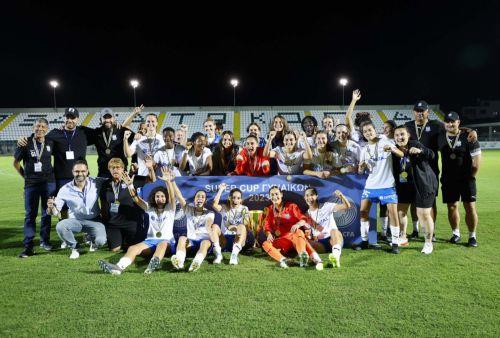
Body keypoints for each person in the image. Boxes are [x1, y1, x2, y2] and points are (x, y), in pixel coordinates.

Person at [404, 101, 478, 239]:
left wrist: (472, 130)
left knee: (431, 202)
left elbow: (456, 129)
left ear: (427, 112)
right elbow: (396, 135)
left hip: (430, 171)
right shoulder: (407, 126)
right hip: (411, 170)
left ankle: (431, 233)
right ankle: (415, 230)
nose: (420, 113)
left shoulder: (437, 125)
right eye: (417, 110)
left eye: (423, 111)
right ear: (413, 112)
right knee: (414, 200)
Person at [98, 169, 177, 274]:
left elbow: (172, 197)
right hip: (150, 241)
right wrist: (130, 186)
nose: (160, 198)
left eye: (162, 196)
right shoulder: (149, 207)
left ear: (165, 198)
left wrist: (168, 182)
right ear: (154, 197)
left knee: (162, 244)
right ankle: (118, 268)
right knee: (133, 248)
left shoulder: (170, 208)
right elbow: (136, 199)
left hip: (166, 242)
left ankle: (152, 265)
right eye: (157, 196)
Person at [390, 125, 438, 254]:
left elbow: (432, 155)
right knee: (400, 212)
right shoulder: (393, 151)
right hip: (405, 185)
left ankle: (428, 243)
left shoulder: (415, 144)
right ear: (393, 137)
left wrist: (420, 151)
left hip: (423, 184)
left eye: (402, 134)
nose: (400, 137)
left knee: (424, 214)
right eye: (397, 135)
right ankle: (403, 237)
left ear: (408, 135)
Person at [356, 121, 402, 254]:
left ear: (375, 130)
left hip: (387, 185)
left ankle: (395, 243)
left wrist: (392, 149)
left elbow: (401, 154)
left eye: (370, 130)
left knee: (393, 214)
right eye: (365, 132)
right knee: (363, 212)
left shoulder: (385, 141)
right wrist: (361, 167)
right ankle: (365, 242)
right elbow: (360, 171)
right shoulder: (364, 150)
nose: (368, 133)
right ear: (363, 135)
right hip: (371, 185)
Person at [47, 160, 107, 259]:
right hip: (76, 221)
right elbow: (54, 212)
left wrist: (131, 174)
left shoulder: (96, 182)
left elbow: (114, 179)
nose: (80, 174)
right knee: (60, 226)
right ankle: (75, 248)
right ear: (72, 172)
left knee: (101, 241)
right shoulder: (65, 189)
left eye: (83, 171)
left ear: (87, 171)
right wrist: (51, 207)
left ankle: (92, 239)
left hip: (94, 220)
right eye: (77, 171)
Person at [14, 118, 56, 257]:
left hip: (48, 183)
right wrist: (25, 177)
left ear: (47, 129)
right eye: (38, 126)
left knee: (46, 213)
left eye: (43, 126)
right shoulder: (25, 143)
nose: (40, 129)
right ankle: (28, 246)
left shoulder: (50, 142)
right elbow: (16, 163)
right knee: (30, 215)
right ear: (33, 127)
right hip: (31, 184)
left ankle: (45, 241)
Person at [438, 112, 481, 247]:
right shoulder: (439, 137)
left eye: (453, 121)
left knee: (470, 207)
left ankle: (472, 236)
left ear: (458, 122)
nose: (450, 124)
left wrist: (471, 177)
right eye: (447, 121)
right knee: (452, 207)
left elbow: (476, 162)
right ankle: (456, 233)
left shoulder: (469, 137)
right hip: (448, 180)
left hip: (466, 179)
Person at [261, 186, 324, 270]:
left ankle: (303, 256)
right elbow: (267, 226)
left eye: (277, 194)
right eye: (272, 194)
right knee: (265, 244)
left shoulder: (291, 207)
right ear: (269, 197)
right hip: (281, 240)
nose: (275, 197)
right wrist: (268, 234)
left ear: (281, 194)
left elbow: (303, 219)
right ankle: (284, 260)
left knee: (299, 232)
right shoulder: (269, 210)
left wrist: (297, 224)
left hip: (294, 238)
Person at [100, 158, 144, 252]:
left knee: (133, 246)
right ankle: (121, 238)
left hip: (131, 221)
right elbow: (104, 205)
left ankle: (125, 238)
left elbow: (151, 179)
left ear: (123, 169)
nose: (115, 170)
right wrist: (106, 222)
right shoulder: (105, 184)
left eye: (118, 167)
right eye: (112, 168)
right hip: (114, 223)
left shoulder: (131, 179)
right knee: (115, 249)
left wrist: (149, 168)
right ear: (109, 169)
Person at [170, 190, 219, 272]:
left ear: (205, 201)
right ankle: (179, 262)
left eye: (203, 197)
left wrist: (208, 228)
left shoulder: (210, 212)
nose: (200, 198)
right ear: (194, 199)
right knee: (182, 238)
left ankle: (196, 262)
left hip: (205, 240)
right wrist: (172, 181)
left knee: (205, 243)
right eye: (198, 196)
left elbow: (209, 222)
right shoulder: (188, 209)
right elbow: (179, 196)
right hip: (191, 241)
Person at [304, 188, 351, 267]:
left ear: (316, 196)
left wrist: (341, 196)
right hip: (320, 244)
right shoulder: (306, 215)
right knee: (306, 243)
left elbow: (347, 206)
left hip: (333, 239)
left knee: (334, 231)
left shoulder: (327, 206)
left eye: (312, 195)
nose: (309, 198)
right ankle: (317, 261)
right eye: (307, 195)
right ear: (304, 198)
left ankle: (336, 257)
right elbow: (309, 233)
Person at [94, 106, 142, 178]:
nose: (107, 120)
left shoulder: (121, 130)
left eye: (109, 117)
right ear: (100, 119)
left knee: (123, 189)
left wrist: (138, 135)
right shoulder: (96, 133)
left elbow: (137, 138)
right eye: (105, 118)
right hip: (103, 173)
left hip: (121, 173)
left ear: (114, 118)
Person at [212, 183, 252, 265]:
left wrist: (235, 227)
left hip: (238, 239)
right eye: (233, 197)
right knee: (214, 226)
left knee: (242, 226)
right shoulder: (224, 207)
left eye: (238, 198)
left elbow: (246, 223)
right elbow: (214, 205)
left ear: (241, 200)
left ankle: (234, 255)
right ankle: (218, 255)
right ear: (229, 198)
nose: (235, 200)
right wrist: (221, 190)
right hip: (224, 240)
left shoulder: (244, 208)